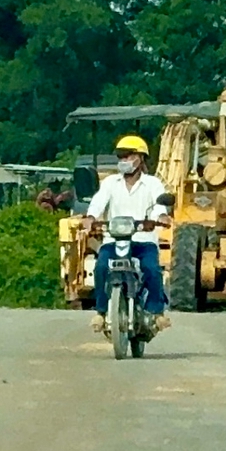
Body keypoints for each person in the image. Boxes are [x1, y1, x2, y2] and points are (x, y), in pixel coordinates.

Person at [82, 134, 172, 333]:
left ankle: (157, 312)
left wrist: (162, 217)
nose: (124, 161)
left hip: (143, 240)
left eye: (129, 156)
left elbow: (159, 204)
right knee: (101, 268)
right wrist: (90, 217)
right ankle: (101, 312)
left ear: (140, 159)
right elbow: (98, 201)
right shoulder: (110, 183)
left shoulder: (152, 183)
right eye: (121, 157)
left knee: (152, 269)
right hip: (113, 239)